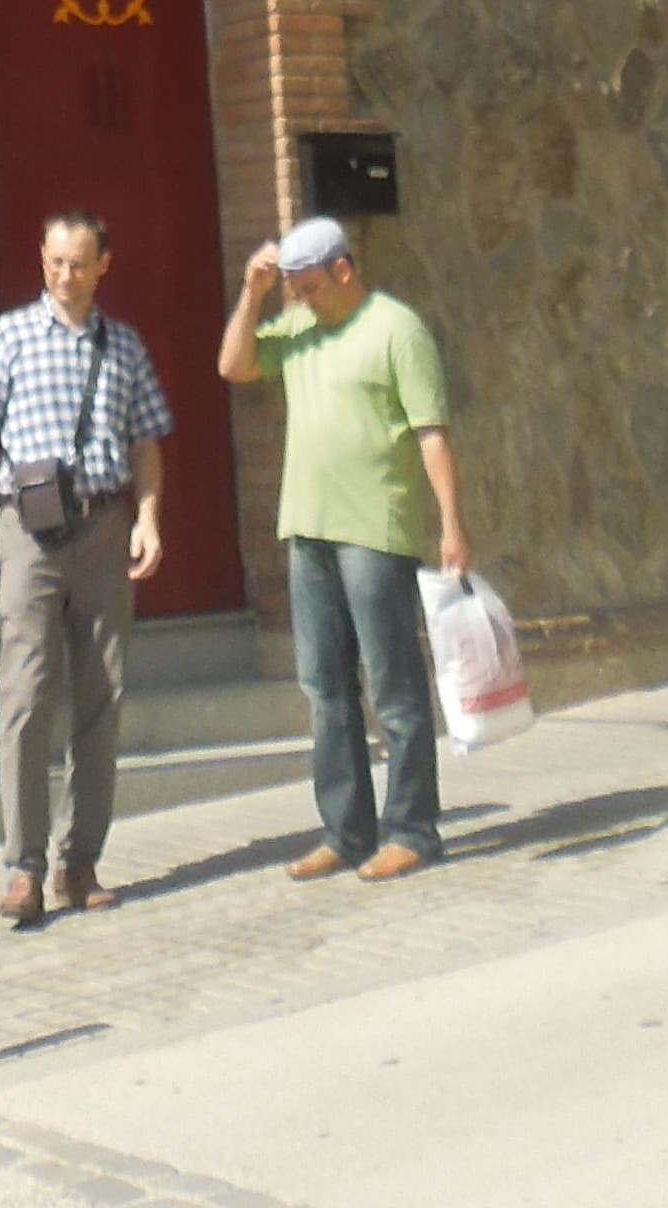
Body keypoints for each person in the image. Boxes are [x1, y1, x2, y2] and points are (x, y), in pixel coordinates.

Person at [220, 213, 470, 883]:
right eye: (291, 288)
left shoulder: (397, 329)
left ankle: (413, 830)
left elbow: (431, 431)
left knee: (393, 687)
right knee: (325, 689)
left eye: (308, 287)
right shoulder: (298, 328)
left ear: (343, 269)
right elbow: (234, 364)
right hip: (308, 529)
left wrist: (450, 523)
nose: (298, 299)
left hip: (374, 531)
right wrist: (254, 291)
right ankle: (346, 831)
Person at [0, 210, 170, 928]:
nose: (63, 275)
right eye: (52, 263)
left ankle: (81, 862)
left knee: (100, 696)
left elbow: (147, 442)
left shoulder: (125, 346)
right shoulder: (9, 337)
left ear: (103, 264)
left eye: (77, 263)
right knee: (25, 695)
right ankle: (24, 868)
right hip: (29, 531)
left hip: (105, 527)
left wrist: (147, 518)